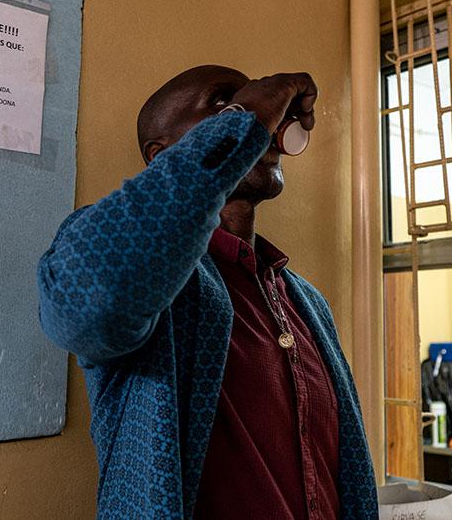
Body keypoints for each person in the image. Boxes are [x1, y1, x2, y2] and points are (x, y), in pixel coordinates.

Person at [37, 65, 378, 519]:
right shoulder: (152, 281)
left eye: (259, 109)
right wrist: (246, 118)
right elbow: (83, 304)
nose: (267, 124)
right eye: (223, 102)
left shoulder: (305, 301)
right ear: (160, 155)